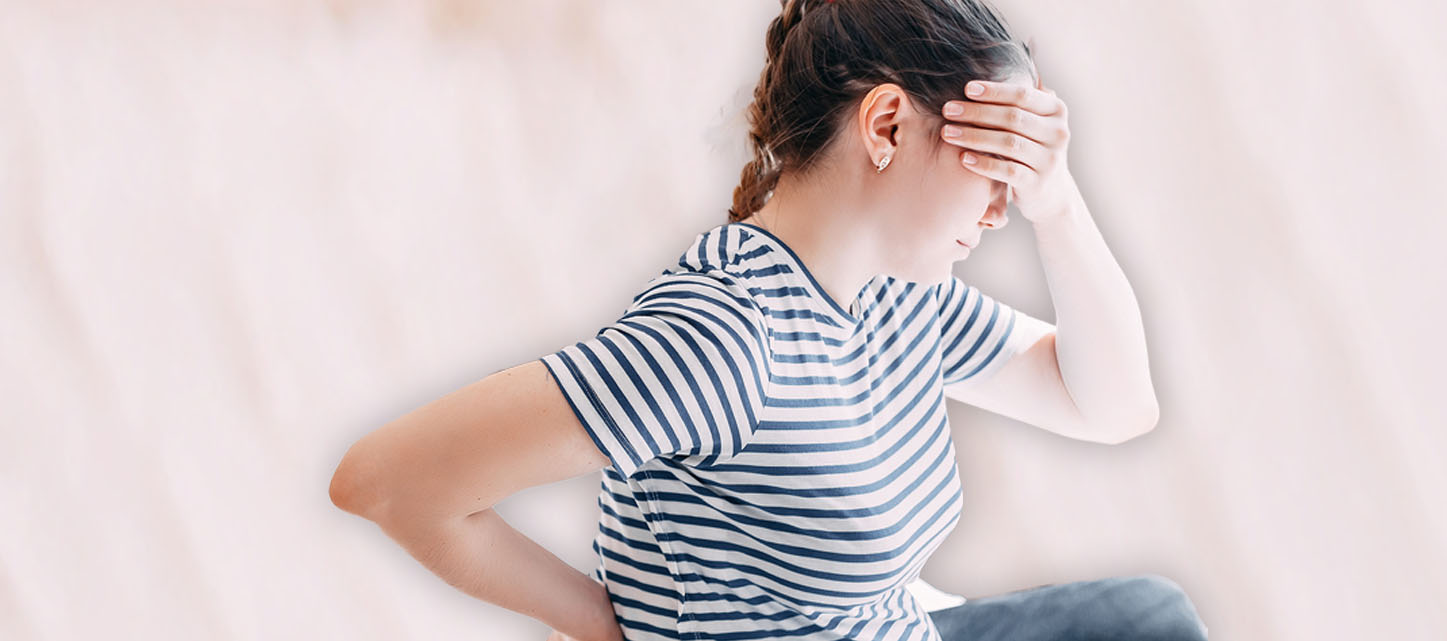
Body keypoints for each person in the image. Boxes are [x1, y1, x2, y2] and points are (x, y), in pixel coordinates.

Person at [329, 0, 1207, 639]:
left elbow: (1115, 405)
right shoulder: (721, 340)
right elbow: (385, 481)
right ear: (889, 126)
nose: (1001, 209)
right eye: (1000, 168)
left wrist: (1060, 204)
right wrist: (602, 626)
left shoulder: (900, 292)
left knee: (1153, 618)